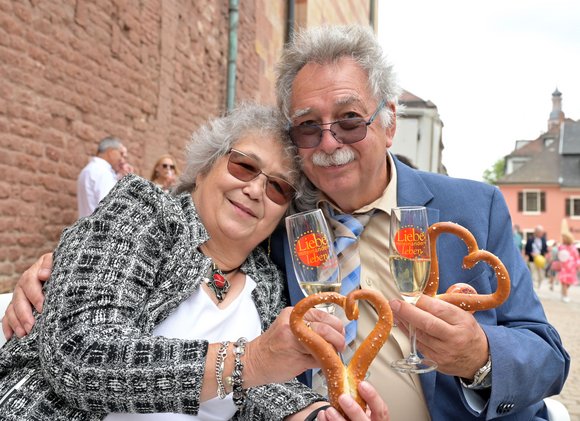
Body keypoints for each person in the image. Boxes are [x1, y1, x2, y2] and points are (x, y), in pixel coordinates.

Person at [5, 25, 570, 420]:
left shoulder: (472, 208)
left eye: (350, 120)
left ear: (389, 123)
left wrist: (479, 357)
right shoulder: (286, 231)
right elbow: (251, 352)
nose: (329, 141)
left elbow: (547, 355)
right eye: (308, 127)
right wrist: (66, 263)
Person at [0, 104, 387, 420]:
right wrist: (246, 361)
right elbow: (80, 353)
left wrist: (315, 414)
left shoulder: (267, 280)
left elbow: (264, 386)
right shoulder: (145, 212)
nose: (255, 190)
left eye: (278, 187)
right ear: (204, 169)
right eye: (244, 166)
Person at [77, 136, 127, 217]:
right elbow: (110, 210)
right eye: (120, 154)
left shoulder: (88, 169)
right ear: (111, 152)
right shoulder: (103, 173)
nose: (122, 160)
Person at [556, 232, 579, 303]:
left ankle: (563, 292)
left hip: (571, 267)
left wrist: (578, 265)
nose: (563, 239)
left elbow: (577, 257)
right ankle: (565, 295)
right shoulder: (561, 247)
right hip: (563, 267)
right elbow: (559, 256)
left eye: (564, 238)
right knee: (564, 282)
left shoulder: (573, 247)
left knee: (568, 283)